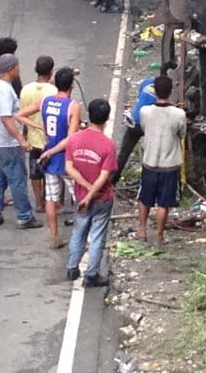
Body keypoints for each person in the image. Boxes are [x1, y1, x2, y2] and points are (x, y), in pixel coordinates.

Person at [0, 53, 43, 230]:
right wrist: (21, 139)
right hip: (7, 143)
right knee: (17, 179)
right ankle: (24, 215)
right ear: (10, 69)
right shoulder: (5, 90)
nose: (19, 69)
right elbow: (7, 118)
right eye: (17, 66)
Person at [25, 67, 82, 249]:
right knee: (80, 198)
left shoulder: (45, 102)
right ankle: (81, 237)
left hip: (49, 157)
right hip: (67, 159)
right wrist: (53, 150)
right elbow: (71, 137)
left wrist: (38, 128)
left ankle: (55, 236)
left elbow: (19, 114)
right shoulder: (73, 106)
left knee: (50, 197)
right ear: (71, 86)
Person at [64, 98, 117, 287]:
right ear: (107, 118)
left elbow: (69, 168)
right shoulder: (108, 145)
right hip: (101, 198)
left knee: (78, 232)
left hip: (79, 197)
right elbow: (104, 177)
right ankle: (91, 274)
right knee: (97, 236)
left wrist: (85, 190)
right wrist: (91, 192)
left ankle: (72, 267)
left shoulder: (75, 139)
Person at [135, 76, 186, 246]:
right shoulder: (179, 114)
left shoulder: (145, 112)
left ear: (155, 91)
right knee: (164, 203)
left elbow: (143, 128)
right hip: (169, 165)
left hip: (149, 161)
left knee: (145, 198)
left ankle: (141, 230)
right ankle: (159, 236)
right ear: (171, 91)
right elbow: (182, 134)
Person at [17, 56, 58, 215]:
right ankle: (52, 201)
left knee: (35, 172)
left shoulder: (26, 89)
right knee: (52, 172)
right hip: (50, 140)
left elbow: (23, 115)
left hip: (33, 138)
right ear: (51, 71)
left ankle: (39, 202)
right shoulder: (53, 91)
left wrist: (25, 134)